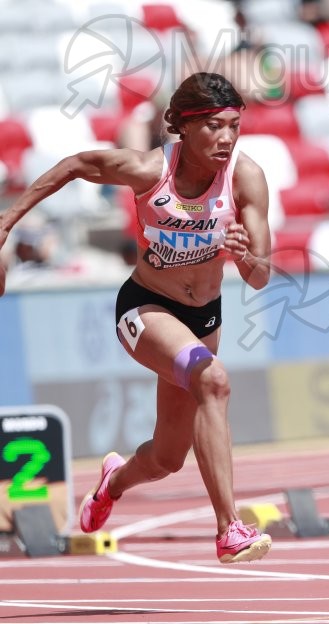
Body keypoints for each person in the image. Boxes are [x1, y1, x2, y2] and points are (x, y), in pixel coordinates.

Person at [0, 72, 273, 563]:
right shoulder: (149, 170)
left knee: (167, 459)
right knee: (213, 380)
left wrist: (245, 258)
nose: (228, 138)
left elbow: (261, 277)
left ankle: (112, 482)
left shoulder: (246, 177)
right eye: (214, 126)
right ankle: (230, 529)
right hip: (145, 308)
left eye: (235, 125)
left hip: (203, 319)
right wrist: (7, 219)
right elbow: (77, 164)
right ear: (183, 128)